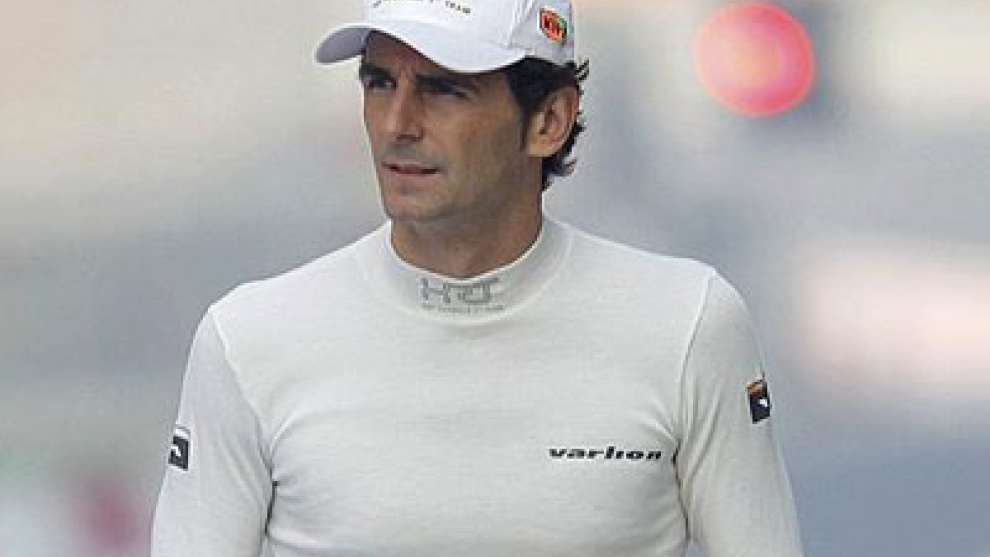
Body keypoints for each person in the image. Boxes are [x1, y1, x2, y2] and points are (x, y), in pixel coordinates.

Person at [150, 0, 804, 555]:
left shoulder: (688, 323)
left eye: (444, 90)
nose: (397, 124)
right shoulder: (248, 339)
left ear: (549, 120)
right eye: (379, 83)